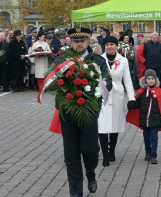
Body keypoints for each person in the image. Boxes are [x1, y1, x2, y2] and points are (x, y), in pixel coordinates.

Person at [56, 27, 112, 197]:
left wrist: (94, 96)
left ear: (89, 42)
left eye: (82, 41)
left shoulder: (98, 61)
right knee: (71, 152)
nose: (79, 44)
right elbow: (53, 83)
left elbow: (107, 83)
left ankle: (91, 172)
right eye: (76, 41)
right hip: (68, 112)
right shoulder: (62, 60)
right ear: (70, 42)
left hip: (89, 111)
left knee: (89, 149)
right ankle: (76, 191)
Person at [98, 36, 135, 166]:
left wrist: (131, 98)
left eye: (112, 44)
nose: (109, 47)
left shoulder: (123, 60)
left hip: (118, 95)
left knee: (115, 124)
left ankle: (112, 150)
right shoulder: (99, 59)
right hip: (102, 94)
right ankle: (105, 154)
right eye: (107, 44)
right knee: (102, 124)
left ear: (116, 46)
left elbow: (128, 81)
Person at [126, 69, 161, 164]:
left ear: (155, 80)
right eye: (148, 78)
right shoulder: (142, 92)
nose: (150, 80)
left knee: (154, 138)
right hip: (145, 120)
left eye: (152, 78)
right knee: (146, 138)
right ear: (145, 80)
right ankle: (148, 152)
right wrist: (131, 104)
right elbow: (138, 104)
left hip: (155, 120)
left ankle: (154, 154)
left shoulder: (160, 92)